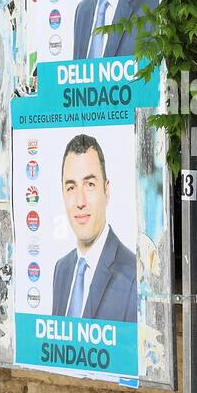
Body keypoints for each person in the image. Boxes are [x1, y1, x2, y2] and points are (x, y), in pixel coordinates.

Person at [50, 134, 138, 322]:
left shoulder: (134, 274)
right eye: (71, 187)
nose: (80, 202)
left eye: (89, 184)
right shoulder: (61, 269)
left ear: (107, 191)